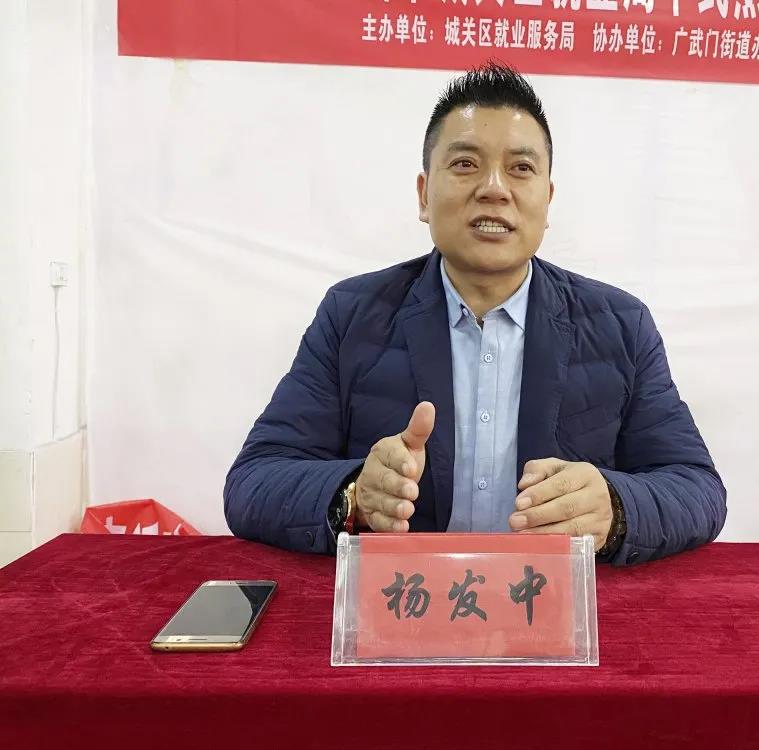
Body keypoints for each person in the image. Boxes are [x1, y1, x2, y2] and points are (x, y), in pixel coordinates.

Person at [224, 63, 726, 565]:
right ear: (424, 195)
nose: (494, 188)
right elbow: (254, 481)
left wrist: (614, 508)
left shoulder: (620, 326)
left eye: (521, 168)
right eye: (465, 164)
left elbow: (696, 488)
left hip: (546, 605)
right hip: (405, 600)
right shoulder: (352, 316)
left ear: (547, 200)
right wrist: (354, 492)